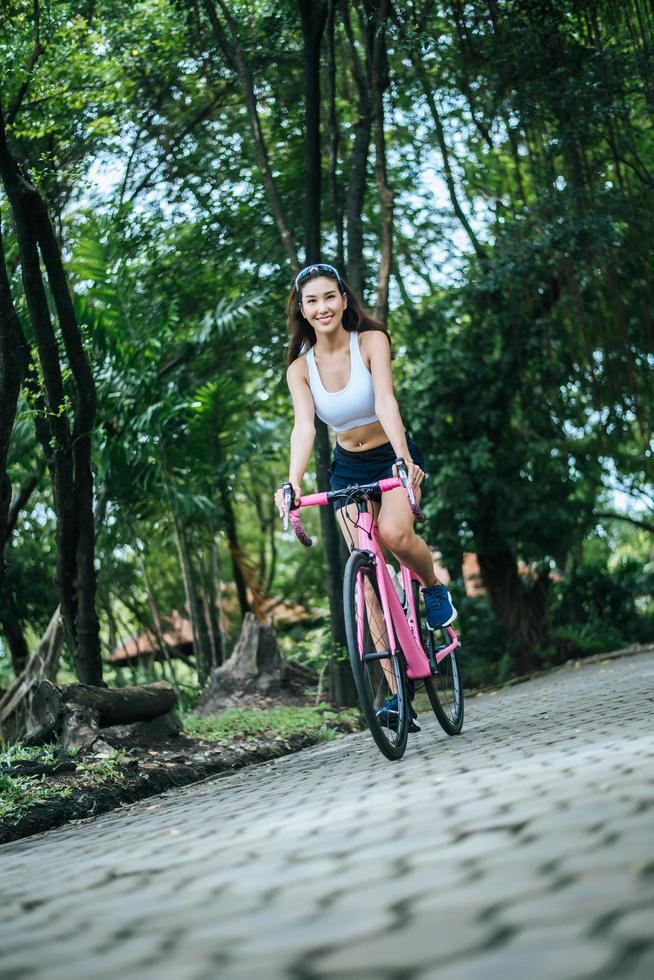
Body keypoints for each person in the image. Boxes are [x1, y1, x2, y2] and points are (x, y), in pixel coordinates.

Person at [274, 262, 457, 635]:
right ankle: (393, 691)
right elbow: (305, 427)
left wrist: (404, 458)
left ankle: (434, 588)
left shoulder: (371, 342)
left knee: (395, 534)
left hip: (391, 455)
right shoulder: (299, 370)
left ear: (343, 300)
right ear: (302, 310)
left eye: (329, 297)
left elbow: (386, 402)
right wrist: (292, 483)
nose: (322, 307)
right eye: (312, 301)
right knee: (367, 581)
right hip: (348, 467)